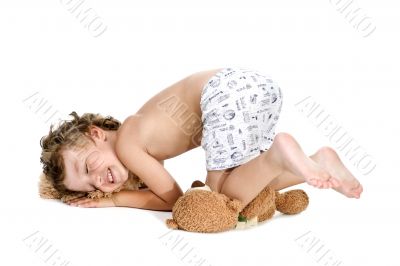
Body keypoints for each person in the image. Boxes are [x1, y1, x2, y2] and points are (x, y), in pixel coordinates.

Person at [39, 67, 363, 210]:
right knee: (250, 182)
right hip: (248, 87)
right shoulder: (140, 130)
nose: (98, 181)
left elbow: (172, 200)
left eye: (88, 166)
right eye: (92, 188)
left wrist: (114, 200)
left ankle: (280, 150)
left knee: (219, 197)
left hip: (221, 96)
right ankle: (319, 161)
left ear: (96, 134)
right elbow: (160, 189)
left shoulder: (127, 142)